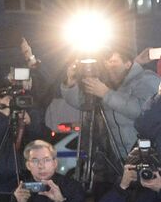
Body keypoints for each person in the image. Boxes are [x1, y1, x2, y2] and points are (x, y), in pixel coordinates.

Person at [59, 45, 161, 184]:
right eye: (106, 62)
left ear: (127, 64)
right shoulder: (106, 85)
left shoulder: (146, 79)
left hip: (148, 156)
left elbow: (143, 112)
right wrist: (70, 83)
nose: (108, 66)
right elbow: (83, 104)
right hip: (117, 161)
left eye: (113, 61)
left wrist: (106, 94)